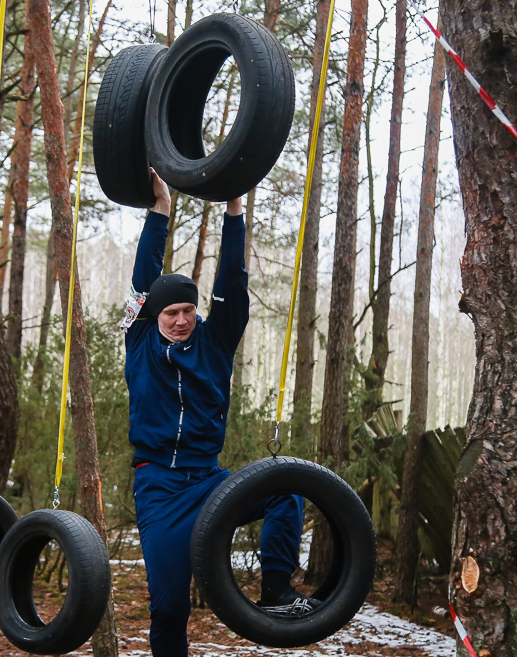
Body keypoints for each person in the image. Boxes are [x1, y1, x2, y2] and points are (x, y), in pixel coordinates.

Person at [120, 170, 312, 657]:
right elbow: (144, 275)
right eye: (171, 313)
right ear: (154, 317)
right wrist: (160, 208)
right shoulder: (140, 340)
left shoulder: (215, 341)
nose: (182, 319)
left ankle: (276, 590)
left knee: (285, 488)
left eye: (189, 310)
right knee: (168, 609)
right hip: (159, 487)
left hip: (209, 481)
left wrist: (233, 210)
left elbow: (232, 282)